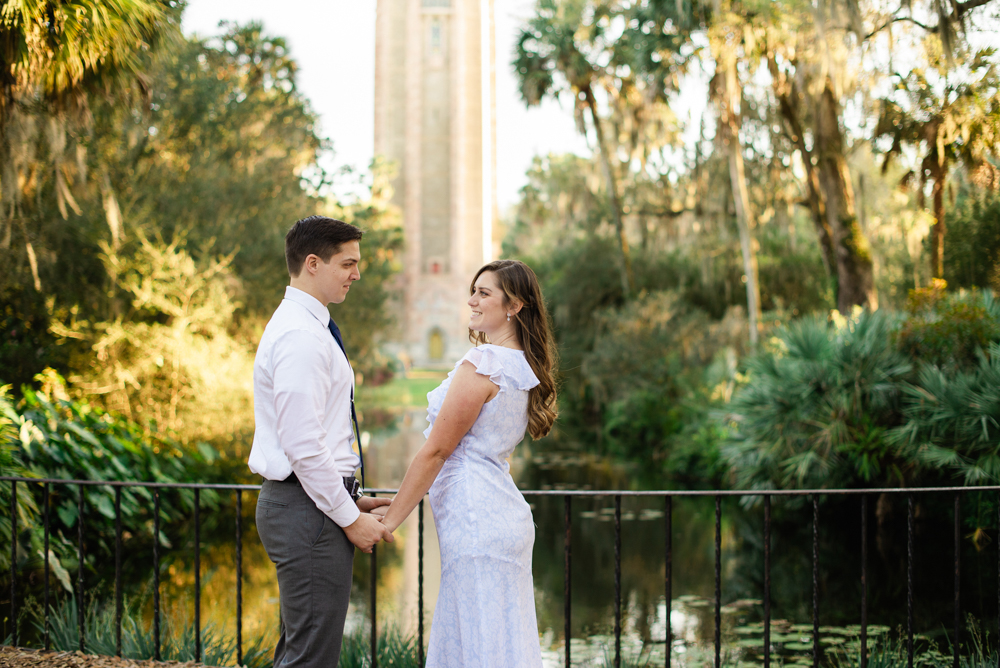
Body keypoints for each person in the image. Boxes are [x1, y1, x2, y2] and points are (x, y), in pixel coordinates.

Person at [378, 259, 558, 667]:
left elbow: (436, 452)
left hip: (477, 519)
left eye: (484, 293)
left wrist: (390, 520)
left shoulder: (486, 363)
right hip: (500, 517)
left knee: (477, 643)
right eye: (473, 290)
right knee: (498, 640)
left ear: (515, 305)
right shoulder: (522, 365)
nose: (471, 300)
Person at [248, 215, 393, 668]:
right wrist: (349, 518)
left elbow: (318, 441)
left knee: (300, 653)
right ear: (313, 263)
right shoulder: (300, 336)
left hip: (311, 506)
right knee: (311, 660)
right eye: (348, 263)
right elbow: (303, 446)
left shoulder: (309, 326)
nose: (357, 273)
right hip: (307, 514)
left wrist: (352, 497)